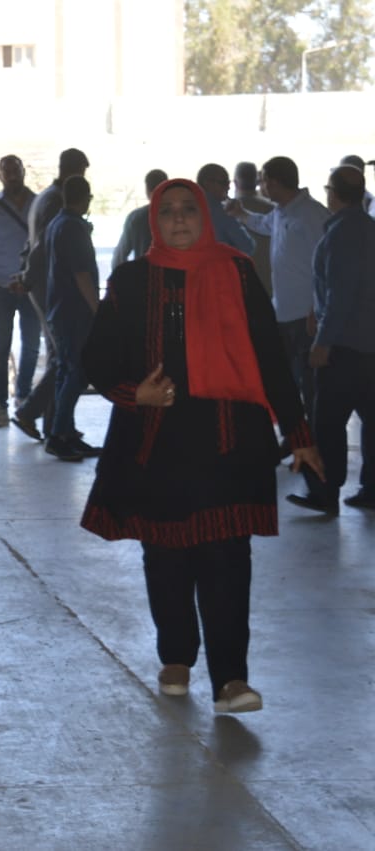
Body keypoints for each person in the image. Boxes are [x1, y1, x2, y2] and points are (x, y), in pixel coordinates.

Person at [81, 177, 323, 714]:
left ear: (205, 216)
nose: (179, 219)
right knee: (165, 555)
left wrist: (298, 432)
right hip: (156, 440)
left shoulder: (235, 271)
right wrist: (135, 393)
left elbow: (269, 354)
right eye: (168, 210)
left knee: (227, 558)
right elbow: (95, 358)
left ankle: (231, 679)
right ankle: (175, 655)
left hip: (228, 441)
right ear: (154, 220)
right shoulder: (131, 279)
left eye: (189, 209)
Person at [286, 164, 375, 514]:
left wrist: (323, 341)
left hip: (343, 346)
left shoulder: (340, 234)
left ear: (332, 194)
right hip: (369, 344)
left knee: (327, 423)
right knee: (371, 420)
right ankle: (372, 489)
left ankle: (324, 491)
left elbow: (340, 293)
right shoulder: (369, 228)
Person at [228, 156, 330, 420]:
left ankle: (313, 437)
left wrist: (316, 309)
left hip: (306, 316)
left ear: (273, 183)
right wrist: (240, 214)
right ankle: (296, 433)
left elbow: (327, 267)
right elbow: (262, 225)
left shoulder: (311, 214)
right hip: (284, 313)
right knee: (286, 381)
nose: (260, 186)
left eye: (263, 181)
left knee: (311, 384)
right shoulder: (282, 211)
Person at [11, 147, 90, 441]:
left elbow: (30, 242)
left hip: (41, 283)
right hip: (50, 286)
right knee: (64, 358)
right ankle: (39, 417)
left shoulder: (43, 197)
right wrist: (29, 276)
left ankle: (55, 424)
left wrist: (25, 273)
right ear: (76, 170)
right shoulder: (57, 201)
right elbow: (43, 244)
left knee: (61, 356)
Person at [0, 154, 39, 425]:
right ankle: (0, 403)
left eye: (15, 169)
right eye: (6, 171)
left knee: (32, 345)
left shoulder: (39, 204)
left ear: (24, 172)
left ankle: (23, 397)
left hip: (32, 286)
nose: (12, 175)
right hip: (0, 286)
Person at [42, 176, 101, 461]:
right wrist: (98, 310)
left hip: (60, 309)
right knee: (77, 373)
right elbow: (81, 274)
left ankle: (65, 432)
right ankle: (58, 435)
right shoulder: (73, 227)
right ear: (86, 198)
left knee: (66, 372)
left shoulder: (57, 223)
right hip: (75, 312)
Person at [111, 168, 168, 269]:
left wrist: (120, 276)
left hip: (143, 274)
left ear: (147, 189)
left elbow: (119, 256)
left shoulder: (136, 217)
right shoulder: (179, 217)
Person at [233, 161, 273, 296]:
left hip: (238, 284)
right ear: (257, 182)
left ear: (235, 182)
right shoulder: (273, 210)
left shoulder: (226, 210)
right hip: (268, 284)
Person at [195, 163, 255, 253]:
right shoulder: (222, 212)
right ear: (207, 184)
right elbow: (247, 246)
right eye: (224, 183)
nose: (228, 187)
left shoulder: (186, 208)